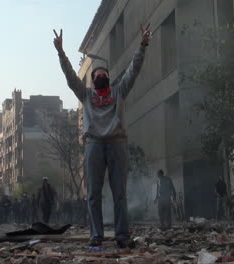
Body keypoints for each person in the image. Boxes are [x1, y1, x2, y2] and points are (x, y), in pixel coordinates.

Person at [53, 24, 151, 247]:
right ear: (92, 79)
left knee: (120, 194)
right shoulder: (86, 95)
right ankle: (96, 236)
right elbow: (70, 77)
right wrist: (61, 53)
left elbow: (134, 70)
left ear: (108, 78)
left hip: (117, 143)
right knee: (93, 195)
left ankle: (122, 237)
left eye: (103, 74)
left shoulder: (118, 91)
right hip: (94, 144)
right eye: (96, 74)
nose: (100, 76)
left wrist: (143, 45)